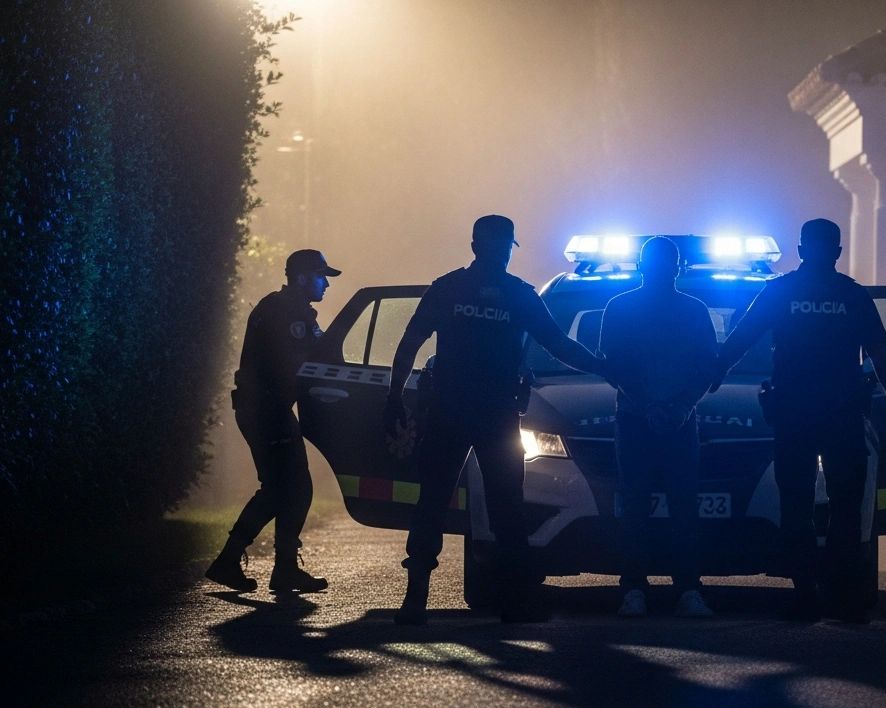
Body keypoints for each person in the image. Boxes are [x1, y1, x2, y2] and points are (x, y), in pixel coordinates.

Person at [383, 215, 614, 625]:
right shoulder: (518, 294)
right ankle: (515, 603)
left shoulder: (448, 287)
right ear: (506, 247)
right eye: (508, 246)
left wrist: (394, 397)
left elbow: (410, 344)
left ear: (474, 245)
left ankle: (414, 601)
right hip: (497, 415)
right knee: (507, 509)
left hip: (449, 411)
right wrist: (605, 368)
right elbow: (559, 345)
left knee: (431, 501)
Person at [715, 219, 886, 624]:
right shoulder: (851, 295)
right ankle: (841, 598)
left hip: (794, 417)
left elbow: (739, 340)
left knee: (796, 506)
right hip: (841, 417)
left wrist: (706, 381)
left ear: (801, 249)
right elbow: (882, 356)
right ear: (838, 251)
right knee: (845, 509)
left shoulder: (780, 291)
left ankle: (804, 595)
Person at [205, 249, 339, 594]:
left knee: (283, 488)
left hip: (263, 409)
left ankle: (248, 563)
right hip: (267, 411)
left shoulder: (278, 307)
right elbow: (304, 363)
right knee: (290, 488)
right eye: (321, 276)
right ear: (301, 277)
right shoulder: (289, 313)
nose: (326, 284)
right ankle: (265, 567)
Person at [599, 237, 717, 618]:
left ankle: (642, 590)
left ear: (640, 265)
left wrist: (664, 407)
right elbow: (707, 368)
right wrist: (679, 407)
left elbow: (612, 367)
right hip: (659, 422)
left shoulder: (620, 307)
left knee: (641, 507)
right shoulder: (694, 310)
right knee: (675, 508)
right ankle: (676, 591)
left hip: (643, 420)